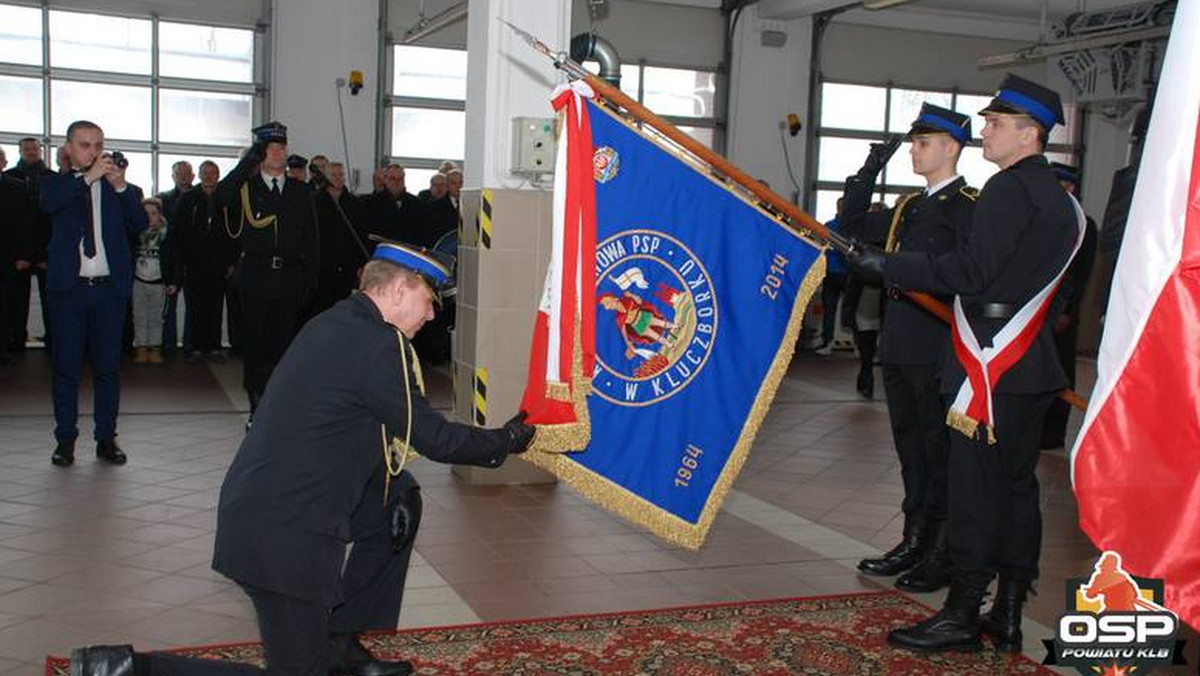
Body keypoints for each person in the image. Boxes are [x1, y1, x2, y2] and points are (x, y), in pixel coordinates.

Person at [68, 242, 537, 676]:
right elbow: (435, 439)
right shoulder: (378, 345)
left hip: (268, 507)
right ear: (398, 290)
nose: (433, 315)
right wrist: (508, 440)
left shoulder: (338, 320)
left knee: (400, 497)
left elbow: (371, 433)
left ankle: (341, 645)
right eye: (430, 301)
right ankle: (132, 669)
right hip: (285, 535)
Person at [849, 74, 1084, 653]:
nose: (985, 130)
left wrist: (890, 266)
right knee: (1017, 491)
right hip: (1028, 362)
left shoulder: (1007, 190)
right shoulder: (1061, 200)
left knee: (975, 490)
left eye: (997, 123)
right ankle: (1007, 610)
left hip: (989, 363)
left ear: (1029, 134)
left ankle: (961, 612)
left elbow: (970, 273)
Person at [844, 104, 976, 594]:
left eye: (924, 143)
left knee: (936, 451)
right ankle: (913, 538)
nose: (914, 151)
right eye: (913, 143)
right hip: (899, 341)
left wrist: (900, 265)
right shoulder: (908, 207)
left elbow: (961, 270)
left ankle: (941, 550)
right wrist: (868, 171)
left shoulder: (969, 207)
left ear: (950, 147)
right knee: (909, 449)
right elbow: (851, 226)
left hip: (936, 345)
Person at [42, 120, 149, 467]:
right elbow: (48, 205)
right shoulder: (56, 184)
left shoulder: (122, 190)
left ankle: (106, 438)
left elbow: (140, 224)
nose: (92, 151)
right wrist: (86, 179)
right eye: (85, 145)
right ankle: (65, 440)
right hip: (69, 292)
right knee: (66, 370)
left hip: (108, 293)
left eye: (97, 144)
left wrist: (118, 187)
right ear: (69, 149)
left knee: (107, 370)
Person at [216, 122, 320, 422]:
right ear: (261, 154)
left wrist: (311, 279)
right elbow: (222, 196)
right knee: (256, 346)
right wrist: (247, 162)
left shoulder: (300, 191)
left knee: (283, 346)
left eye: (282, 148)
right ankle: (256, 402)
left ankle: (279, 402)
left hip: (289, 278)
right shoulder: (247, 188)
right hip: (255, 277)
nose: (278, 153)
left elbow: (312, 238)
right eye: (271, 149)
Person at [1040, 162, 1098, 449]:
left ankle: (1053, 433)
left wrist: (1068, 312)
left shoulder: (1084, 225)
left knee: (1060, 370)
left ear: (1070, 187)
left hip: (1062, 312)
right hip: (1039, 310)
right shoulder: (1044, 220)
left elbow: (1082, 273)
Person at [167, 161, 239, 363]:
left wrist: (231, 262)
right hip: (194, 262)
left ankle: (214, 347)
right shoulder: (188, 198)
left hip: (220, 263)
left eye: (213, 173)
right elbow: (178, 233)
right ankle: (197, 348)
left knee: (216, 306)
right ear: (198, 175)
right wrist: (182, 262)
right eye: (205, 173)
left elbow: (235, 233)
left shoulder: (226, 199)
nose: (209, 176)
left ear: (218, 175)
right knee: (196, 306)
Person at [4, 137, 55, 351]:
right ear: (20, 151)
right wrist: (20, 254)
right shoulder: (9, 178)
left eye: (34, 148)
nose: (31, 152)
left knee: (51, 300)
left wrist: (46, 255)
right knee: (15, 300)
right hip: (17, 253)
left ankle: (52, 339)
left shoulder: (51, 178)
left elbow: (53, 220)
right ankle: (16, 340)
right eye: (27, 149)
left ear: (41, 150)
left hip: (46, 250)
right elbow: (12, 222)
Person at [313, 162, 368, 315]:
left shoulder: (355, 203)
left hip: (348, 267)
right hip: (323, 267)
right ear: (325, 177)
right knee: (321, 309)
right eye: (334, 175)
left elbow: (361, 235)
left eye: (341, 175)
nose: (338, 178)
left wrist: (361, 264)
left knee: (345, 310)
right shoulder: (315, 202)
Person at [131, 198, 170, 364]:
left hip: (159, 282)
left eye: (154, 213)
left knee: (156, 317)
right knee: (139, 316)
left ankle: (155, 348)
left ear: (160, 215)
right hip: (138, 281)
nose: (150, 217)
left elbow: (174, 259)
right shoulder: (134, 233)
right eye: (146, 214)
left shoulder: (167, 234)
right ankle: (141, 348)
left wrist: (173, 281)